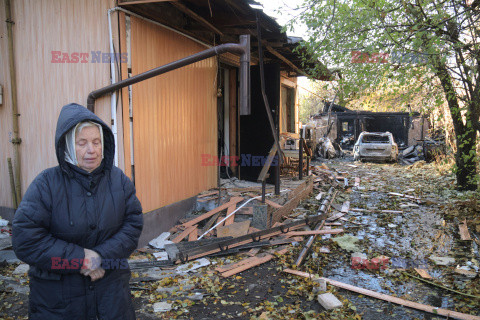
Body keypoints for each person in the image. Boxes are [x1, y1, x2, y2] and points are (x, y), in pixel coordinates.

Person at [12, 103, 143, 320]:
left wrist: (101, 257)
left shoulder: (118, 180)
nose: (91, 150)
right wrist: (80, 259)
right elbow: (26, 239)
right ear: (67, 147)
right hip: (59, 303)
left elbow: (133, 225)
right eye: (82, 143)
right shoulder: (46, 184)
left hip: (111, 298)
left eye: (96, 142)